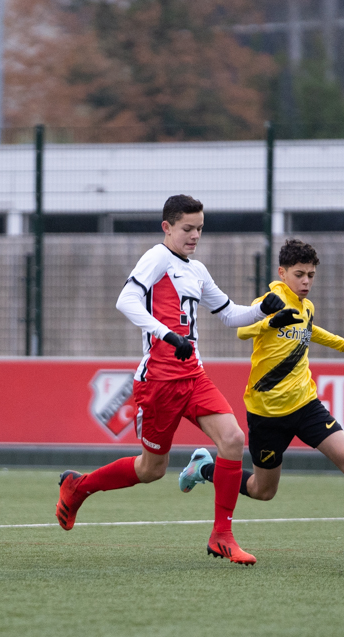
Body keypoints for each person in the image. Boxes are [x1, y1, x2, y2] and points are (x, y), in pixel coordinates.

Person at [56, 194, 287, 565]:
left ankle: (222, 536)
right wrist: (166, 335)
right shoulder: (157, 258)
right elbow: (125, 300)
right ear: (167, 227)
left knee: (232, 439)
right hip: (159, 382)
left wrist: (264, 309)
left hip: (193, 376)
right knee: (151, 470)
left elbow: (229, 314)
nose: (195, 236)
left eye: (200, 229)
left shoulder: (197, 270)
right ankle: (78, 486)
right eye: (187, 228)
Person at [178, 238, 344, 564]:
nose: (306, 282)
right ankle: (204, 468)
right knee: (262, 490)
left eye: (311, 275)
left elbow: (314, 331)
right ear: (282, 272)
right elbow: (243, 331)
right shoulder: (271, 300)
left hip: (306, 405)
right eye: (299, 274)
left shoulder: (307, 307)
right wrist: (270, 321)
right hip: (267, 413)